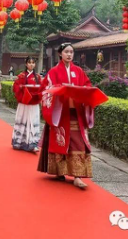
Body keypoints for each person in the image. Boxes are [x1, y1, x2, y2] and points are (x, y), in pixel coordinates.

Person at [38, 42, 93, 189]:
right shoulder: (53, 72)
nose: (69, 54)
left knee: (78, 142)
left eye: (71, 52)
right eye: (66, 52)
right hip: (60, 113)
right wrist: (60, 90)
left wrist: (82, 90)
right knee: (60, 141)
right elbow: (45, 89)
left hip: (76, 112)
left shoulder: (79, 71)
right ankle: (59, 171)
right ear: (60, 54)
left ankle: (77, 176)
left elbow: (87, 85)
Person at [11, 57, 43, 152]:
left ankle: (32, 144)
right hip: (24, 103)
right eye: (29, 63)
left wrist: (38, 93)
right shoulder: (21, 76)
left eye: (33, 63)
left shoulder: (38, 77)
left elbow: (42, 88)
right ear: (26, 64)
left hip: (34, 103)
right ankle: (19, 142)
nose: (31, 65)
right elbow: (15, 87)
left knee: (33, 122)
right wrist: (21, 88)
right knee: (23, 121)